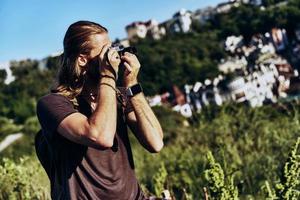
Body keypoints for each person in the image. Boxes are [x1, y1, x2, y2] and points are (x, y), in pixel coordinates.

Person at [36, 20, 164, 200]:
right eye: (105, 51)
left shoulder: (119, 96)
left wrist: (132, 86)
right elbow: (100, 136)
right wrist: (108, 75)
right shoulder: (53, 104)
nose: (112, 57)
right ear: (82, 59)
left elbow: (155, 143)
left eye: (111, 49)